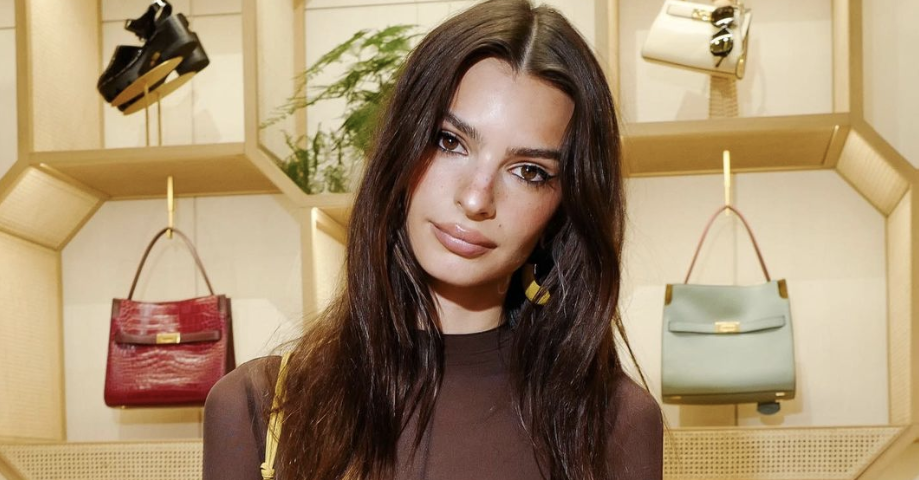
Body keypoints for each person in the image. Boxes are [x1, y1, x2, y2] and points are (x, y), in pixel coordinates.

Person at [203, 0, 663, 479]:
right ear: (401, 149)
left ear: (562, 210)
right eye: (450, 141)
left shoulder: (615, 424)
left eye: (528, 171)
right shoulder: (259, 408)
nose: (476, 198)